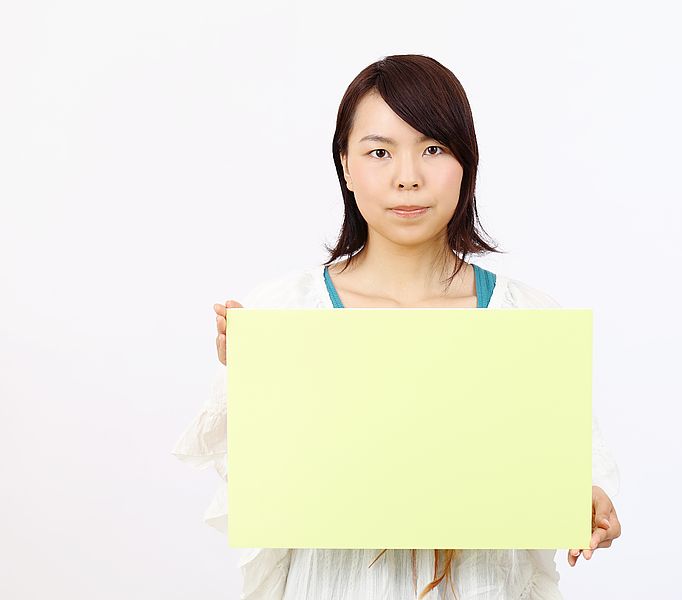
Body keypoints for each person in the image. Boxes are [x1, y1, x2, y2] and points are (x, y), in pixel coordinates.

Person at [172, 54, 621, 600]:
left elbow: (570, 467)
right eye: (379, 152)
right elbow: (254, 493)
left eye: (433, 149)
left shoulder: (524, 319)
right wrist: (255, 380)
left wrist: (585, 499)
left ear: (466, 163)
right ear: (345, 166)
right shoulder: (286, 311)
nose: (407, 177)